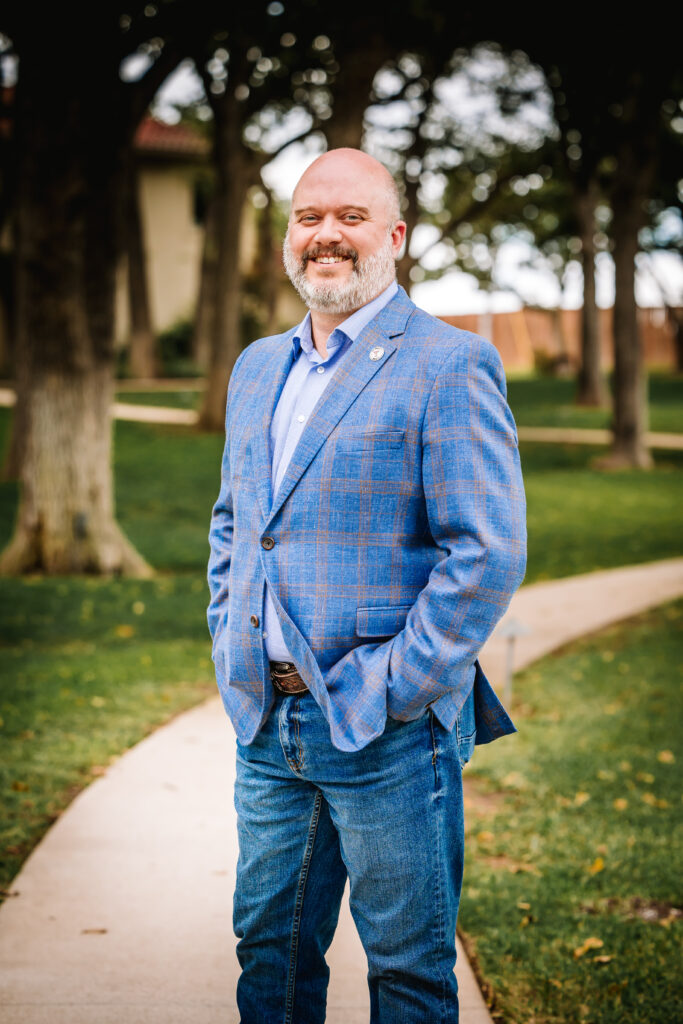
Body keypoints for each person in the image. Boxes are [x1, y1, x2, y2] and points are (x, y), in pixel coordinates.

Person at [207, 147, 526, 1024]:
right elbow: (235, 521)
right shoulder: (256, 366)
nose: (326, 235)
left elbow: (486, 552)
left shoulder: (449, 364)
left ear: (394, 236)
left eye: (351, 217)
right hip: (266, 726)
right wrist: (230, 636)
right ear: (288, 236)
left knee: (407, 973)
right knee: (268, 956)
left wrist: (395, 687)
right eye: (309, 217)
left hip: (386, 733)